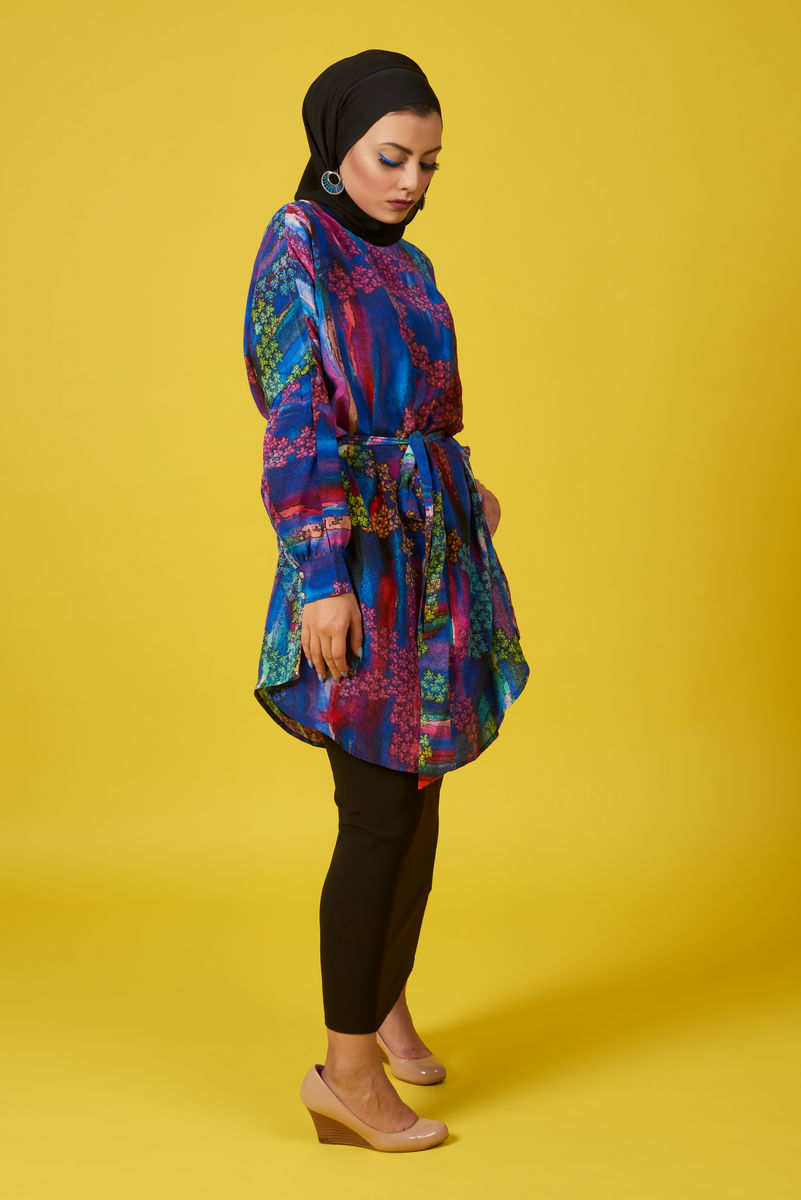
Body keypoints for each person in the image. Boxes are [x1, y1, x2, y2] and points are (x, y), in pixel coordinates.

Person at [242, 48, 530, 1152]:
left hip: (430, 553)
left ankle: (383, 998)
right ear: (337, 149)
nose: (412, 182)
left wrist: (461, 484)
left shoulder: (406, 263)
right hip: (356, 557)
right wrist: (320, 575)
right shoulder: (297, 244)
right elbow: (296, 416)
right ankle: (345, 1074)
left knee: (418, 791)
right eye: (392, 157)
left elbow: (428, 410)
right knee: (376, 814)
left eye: (429, 164)